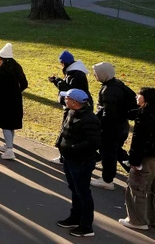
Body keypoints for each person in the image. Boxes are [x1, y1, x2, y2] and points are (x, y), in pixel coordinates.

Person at [121, 87, 155, 231]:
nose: (136, 96)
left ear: (146, 98)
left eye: (139, 94)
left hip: (147, 157)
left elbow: (140, 140)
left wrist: (134, 160)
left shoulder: (144, 114)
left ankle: (137, 221)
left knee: (137, 188)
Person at [55, 88, 101, 238]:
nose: (64, 100)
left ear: (75, 102)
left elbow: (93, 142)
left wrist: (72, 148)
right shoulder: (71, 112)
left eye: (67, 98)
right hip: (70, 159)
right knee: (75, 190)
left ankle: (86, 226)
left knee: (83, 193)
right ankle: (75, 218)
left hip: (81, 161)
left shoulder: (89, 119)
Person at [92, 62, 137, 190]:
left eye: (96, 73)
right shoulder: (118, 84)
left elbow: (108, 113)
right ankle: (135, 174)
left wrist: (100, 127)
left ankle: (107, 180)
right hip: (122, 125)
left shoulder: (108, 90)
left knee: (108, 152)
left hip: (111, 128)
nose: (95, 76)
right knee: (117, 150)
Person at [49, 50, 91, 164]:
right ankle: (65, 156)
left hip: (74, 108)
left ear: (65, 63)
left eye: (61, 63)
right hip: (72, 107)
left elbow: (71, 90)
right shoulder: (74, 72)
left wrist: (58, 81)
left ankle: (65, 157)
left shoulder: (76, 74)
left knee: (68, 133)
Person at [0, 43, 28, 160]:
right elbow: (24, 83)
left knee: (5, 124)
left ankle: (10, 149)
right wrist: (17, 91)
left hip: (3, 100)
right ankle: (8, 144)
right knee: (11, 124)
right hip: (15, 99)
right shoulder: (17, 66)